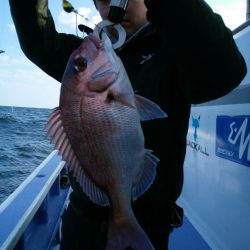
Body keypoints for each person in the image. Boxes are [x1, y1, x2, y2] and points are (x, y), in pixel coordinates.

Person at [9, 0, 246, 249]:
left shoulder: (176, 49)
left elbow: (224, 73)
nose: (113, 3)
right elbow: (37, 39)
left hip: (146, 230)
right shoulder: (85, 56)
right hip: (79, 227)